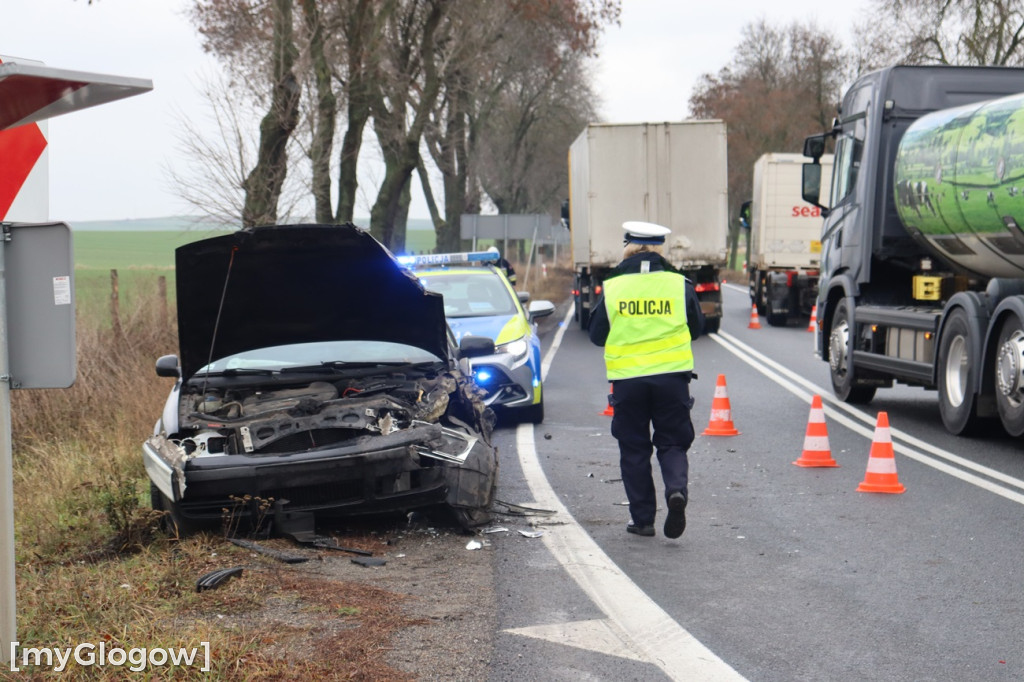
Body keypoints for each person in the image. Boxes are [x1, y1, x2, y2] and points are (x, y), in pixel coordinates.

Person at [587, 221, 704, 539]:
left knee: (634, 448)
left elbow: (597, 334)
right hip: (672, 378)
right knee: (673, 442)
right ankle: (676, 491)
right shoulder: (678, 284)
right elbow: (696, 327)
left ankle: (643, 520)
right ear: (659, 249)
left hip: (628, 381)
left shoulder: (613, 287)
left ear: (628, 247)